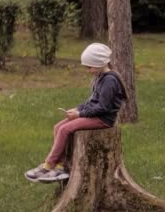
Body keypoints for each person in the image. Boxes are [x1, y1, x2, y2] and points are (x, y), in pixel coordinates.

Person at [25, 43, 127, 183]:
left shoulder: (109, 81)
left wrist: (80, 115)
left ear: (100, 64)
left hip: (103, 119)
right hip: (94, 114)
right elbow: (92, 101)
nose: (88, 70)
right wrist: (78, 109)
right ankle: (60, 165)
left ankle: (49, 165)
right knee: (58, 127)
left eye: (89, 67)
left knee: (65, 129)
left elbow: (103, 107)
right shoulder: (100, 77)